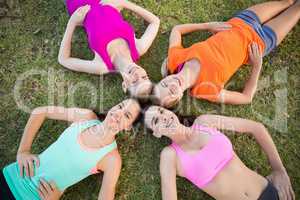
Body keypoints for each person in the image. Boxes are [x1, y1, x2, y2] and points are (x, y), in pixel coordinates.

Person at [154, 0, 299, 107]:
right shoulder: (204, 90)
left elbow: (176, 30)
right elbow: (246, 97)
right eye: (171, 93)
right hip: (261, 42)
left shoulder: (174, 60)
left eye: (164, 85)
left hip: (242, 21)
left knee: (286, 1)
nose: (171, 86)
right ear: (179, 98)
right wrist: (257, 66)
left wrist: (207, 25)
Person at [144, 106, 295, 200]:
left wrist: (279, 170)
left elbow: (256, 128)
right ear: (157, 134)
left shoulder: (204, 122)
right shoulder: (170, 155)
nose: (163, 117)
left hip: (271, 193)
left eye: (162, 111)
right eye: (156, 121)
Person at [0, 99, 141, 200]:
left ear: (128, 127)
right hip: (13, 176)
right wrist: (23, 151)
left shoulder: (112, 158)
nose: (118, 113)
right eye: (120, 106)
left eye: (127, 115)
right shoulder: (86, 117)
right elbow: (40, 112)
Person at [59, 0, 160, 98]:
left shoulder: (101, 66)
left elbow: (63, 60)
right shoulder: (139, 48)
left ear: (125, 85)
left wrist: (72, 22)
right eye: (144, 77)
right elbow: (155, 22)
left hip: (78, 3)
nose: (137, 74)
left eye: (134, 82)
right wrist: (124, 3)